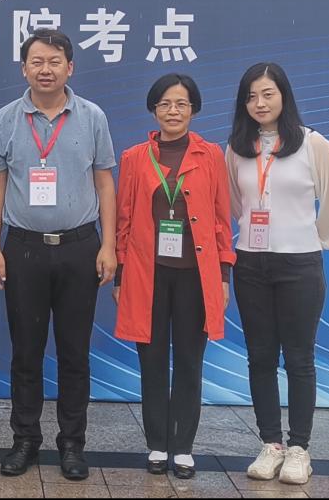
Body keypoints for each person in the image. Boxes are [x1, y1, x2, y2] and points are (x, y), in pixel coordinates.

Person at [0, 28, 116, 480]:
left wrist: (109, 245)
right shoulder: (5, 119)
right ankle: (25, 440)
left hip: (80, 247)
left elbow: (104, 182)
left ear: (70, 68)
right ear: (24, 68)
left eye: (55, 61)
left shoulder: (92, 116)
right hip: (23, 249)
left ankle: (72, 443)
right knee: (26, 351)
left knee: (75, 352)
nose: (46, 70)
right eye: (37, 62)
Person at [227, 63, 329, 486]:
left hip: (299, 264)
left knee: (298, 358)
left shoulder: (314, 144)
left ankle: (299, 449)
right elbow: (235, 204)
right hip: (250, 264)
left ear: (284, 96)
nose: (259, 103)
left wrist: (313, 239)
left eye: (267, 94)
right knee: (259, 356)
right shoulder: (237, 148)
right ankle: (271, 444)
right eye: (251, 96)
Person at [113, 74, 235, 479]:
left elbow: (221, 220)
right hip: (147, 275)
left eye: (181, 104)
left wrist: (223, 274)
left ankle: (183, 447)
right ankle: (156, 443)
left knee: (188, 361)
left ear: (193, 109)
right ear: (154, 110)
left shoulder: (210, 155)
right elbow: (124, 220)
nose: (173, 111)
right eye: (165, 104)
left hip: (195, 276)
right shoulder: (134, 157)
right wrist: (120, 276)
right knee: (150, 361)